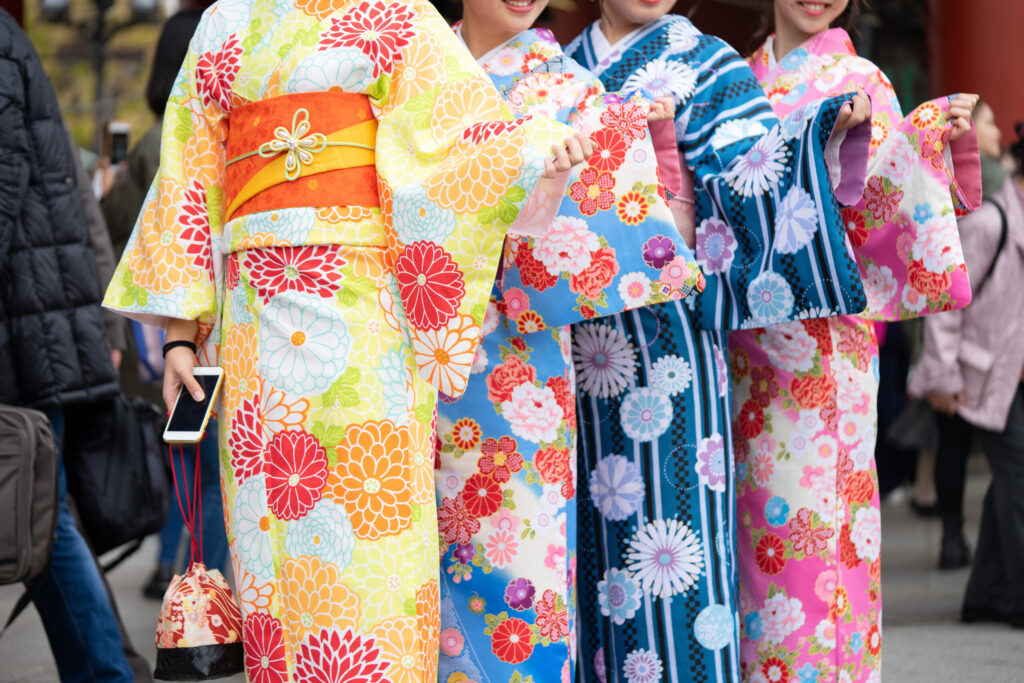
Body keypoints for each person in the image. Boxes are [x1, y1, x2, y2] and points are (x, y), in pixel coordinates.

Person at [102, 0, 591, 678]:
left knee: (371, 544)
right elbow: (192, 175)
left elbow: (461, 146)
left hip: (366, 327)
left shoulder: (399, 17)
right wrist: (182, 338)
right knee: (272, 552)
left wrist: (531, 150)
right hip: (255, 334)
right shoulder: (224, 23)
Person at [564, 1, 877, 680]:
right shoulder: (559, 67)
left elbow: (754, 180)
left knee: (669, 563)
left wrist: (818, 135)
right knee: (576, 569)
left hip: (667, 361)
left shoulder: (709, 65)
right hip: (569, 360)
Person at [436, 3, 697, 680]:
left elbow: (627, 226)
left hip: (517, 370)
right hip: (414, 357)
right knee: (415, 574)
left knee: (521, 567)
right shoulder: (419, 65)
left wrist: (639, 145)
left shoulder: (574, 90)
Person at [733, 2, 980, 681]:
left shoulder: (863, 79)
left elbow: (886, 210)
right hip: (742, 353)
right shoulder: (735, 80)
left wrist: (927, 141)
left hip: (823, 357)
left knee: (815, 536)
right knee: (749, 545)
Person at [0, 8, 148, 682]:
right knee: (44, 516)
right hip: (38, 322)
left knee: (42, 518)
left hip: (28, 329)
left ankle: (107, 672)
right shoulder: (14, 47)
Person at [101, 7, 229, 600]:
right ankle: (205, 577)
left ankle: (170, 567)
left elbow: (118, 218)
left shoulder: (154, 141)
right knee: (211, 462)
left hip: (165, 315)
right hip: (212, 308)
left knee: (184, 449)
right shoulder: (187, 133)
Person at [910, 104, 1024, 627]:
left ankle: (986, 594)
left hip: (1011, 375)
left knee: (1011, 481)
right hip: (982, 376)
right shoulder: (990, 221)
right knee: (1017, 478)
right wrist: (941, 375)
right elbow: (945, 301)